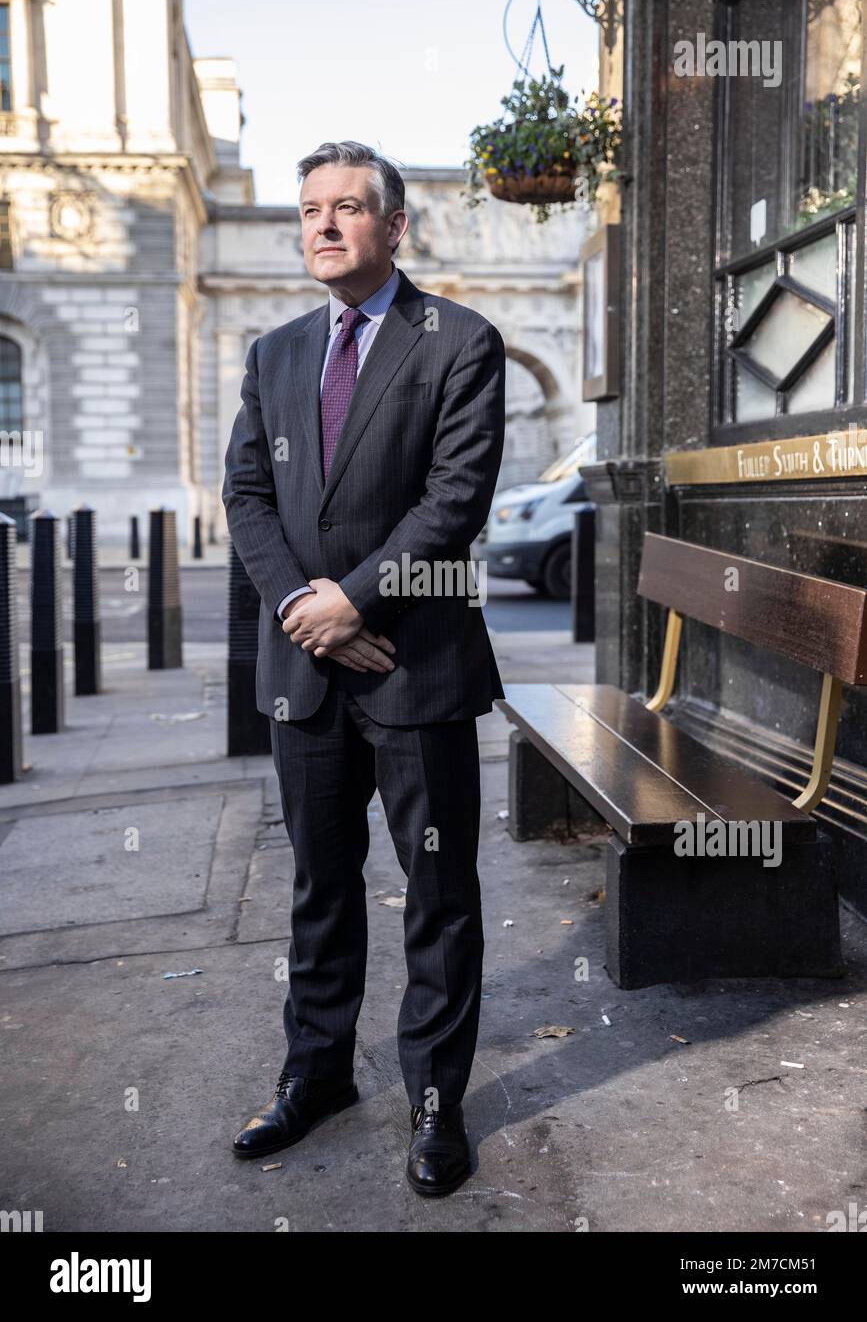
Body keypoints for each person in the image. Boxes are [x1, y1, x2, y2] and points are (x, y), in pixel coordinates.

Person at [222, 140, 506, 1196]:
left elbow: (454, 500)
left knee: (437, 895)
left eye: (348, 208)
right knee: (320, 890)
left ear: (395, 227)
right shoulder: (276, 354)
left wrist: (357, 599)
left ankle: (437, 1108)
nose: (325, 225)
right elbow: (247, 499)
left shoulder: (460, 343)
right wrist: (310, 610)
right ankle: (318, 1076)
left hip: (417, 667)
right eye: (310, 211)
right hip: (308, 671)